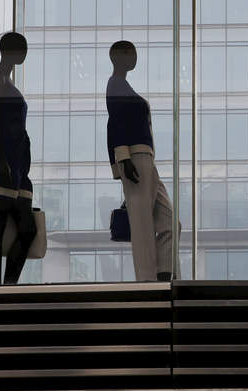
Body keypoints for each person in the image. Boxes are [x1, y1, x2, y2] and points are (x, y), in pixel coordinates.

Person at [106, 41, 178, 282]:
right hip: (135, 158)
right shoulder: (115, 85)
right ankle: (148, 283)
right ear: (117, 57)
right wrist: (123, 158)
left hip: (147, 160)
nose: (134, 57)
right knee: (142, 226)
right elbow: (115, 123)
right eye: (130, 53)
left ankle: (164, 274)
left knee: (170, 221)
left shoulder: (124, 86)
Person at [0, 32, 36, 285]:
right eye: (20, 50)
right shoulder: (0, 81)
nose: (24, 55)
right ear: (10, 52)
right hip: (3, 161)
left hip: (16, 165)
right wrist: (2, 160)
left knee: (27, 228)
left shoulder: (3, 79)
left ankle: (8, 284)